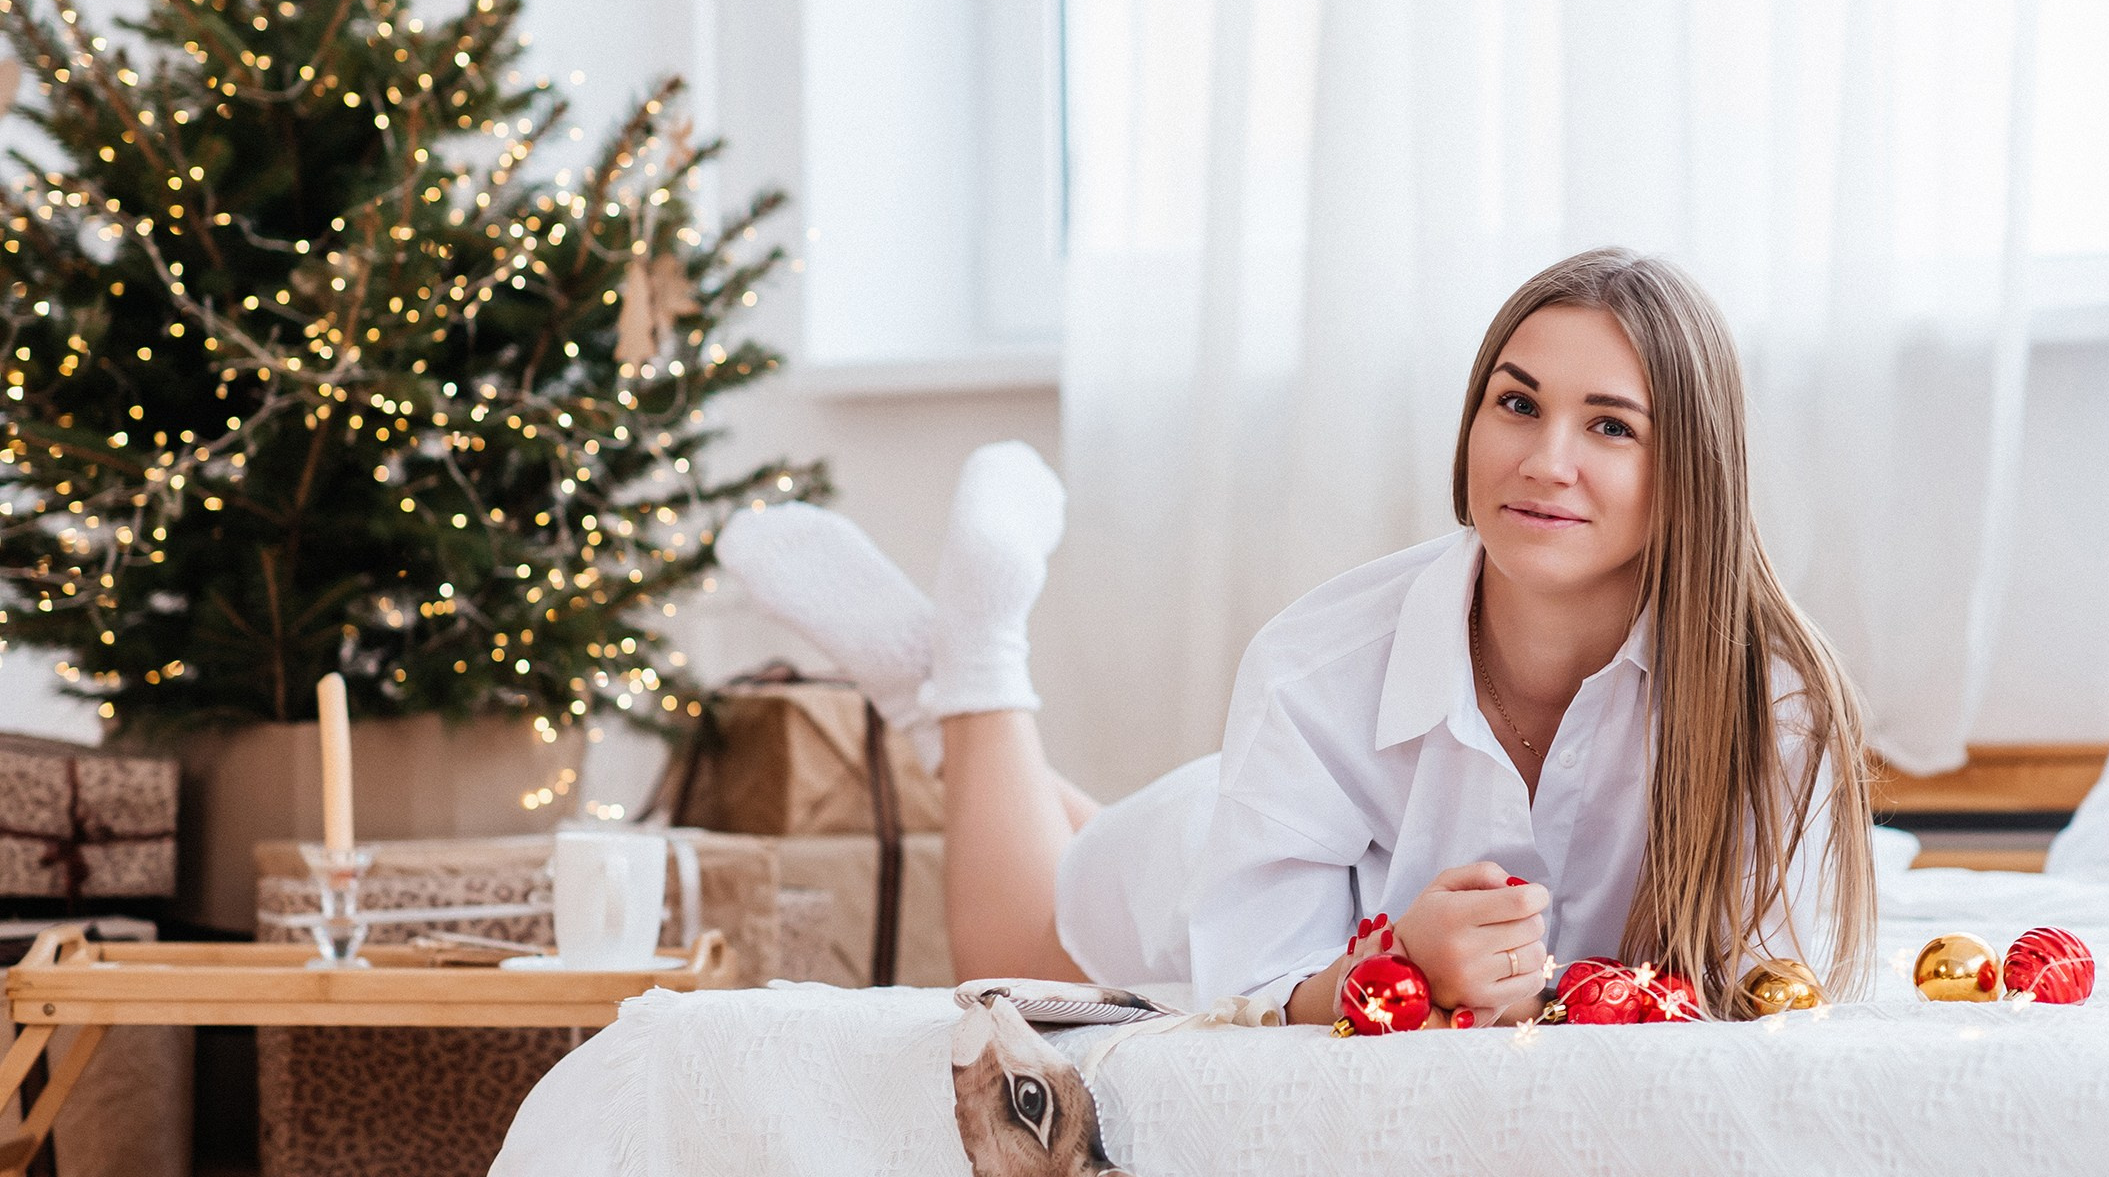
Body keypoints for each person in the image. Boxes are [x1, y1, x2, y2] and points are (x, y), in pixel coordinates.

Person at [718, 247, 1875, 1025]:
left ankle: (935, 700)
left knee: (1081, 830)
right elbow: (1258, 989)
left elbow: (1770, 990)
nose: (1543, 459)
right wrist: (1398, 960)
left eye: (1610, 425)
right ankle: (975, 671)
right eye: (1517, 402)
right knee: (1019, 950)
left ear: (1690, 471)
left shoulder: (1770, 701)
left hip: (1281, 817)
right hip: (1214, 855)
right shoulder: (1316, 663)